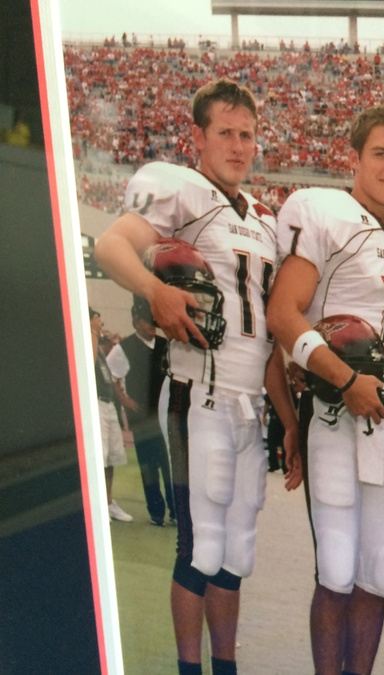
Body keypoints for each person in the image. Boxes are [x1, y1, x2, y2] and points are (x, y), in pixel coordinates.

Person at [94, 78, 299, 675]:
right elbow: (111, 246)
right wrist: (156, 291)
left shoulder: (263, 217)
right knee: (200, 549)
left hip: (250, 402)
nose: (238, 146)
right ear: (198, 137)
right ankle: (190, 668)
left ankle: (226, 666)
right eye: (226, 133)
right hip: (196, 394)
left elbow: (265, 336)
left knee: (236, 553)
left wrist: (287, 420)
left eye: (247, 135)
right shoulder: (180, 190)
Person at [266, 105, 384, 675]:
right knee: (336, 571)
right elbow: (284, 316)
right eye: (381, 154)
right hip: (338, 415)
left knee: (379, 572)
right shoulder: (324, 213)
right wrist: (343, 380)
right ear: (355, 159)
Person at [106, 296, 175, 526]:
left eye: (153, 322)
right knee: (149, 465)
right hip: (141, 417)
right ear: (136, 322)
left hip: (165, 412)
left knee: (169, 463)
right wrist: (124, 399)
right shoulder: (123, 348)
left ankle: (175, 511)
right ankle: (156, 512)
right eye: (147, 322)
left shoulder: (166, 345)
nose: (151, 327)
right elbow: (111, 376)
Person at [91, 307, 133, 523]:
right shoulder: (88, 340)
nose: (102, 324)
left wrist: (111, 341)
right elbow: (88, 361)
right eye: (98, 320)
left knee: (112, 457)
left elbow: (107, 363)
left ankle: (108, 502)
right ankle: (97, 506)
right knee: (100, 456)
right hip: (96, 403)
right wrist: (94, 331)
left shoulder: (99, 346)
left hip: (109, 404)